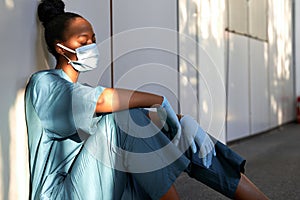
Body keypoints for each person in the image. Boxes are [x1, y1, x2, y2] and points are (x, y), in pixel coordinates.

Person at [25, 0, 269, 199]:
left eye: (93, 39)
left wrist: (181, 122)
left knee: (185, 135)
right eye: (82, 41)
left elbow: (136, 115)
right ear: (60, 47)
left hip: (100, 184)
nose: (91, 46)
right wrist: (159, 100)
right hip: (62, 193)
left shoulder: (83, 90)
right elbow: (104, 102)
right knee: (123, 117)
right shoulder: (45, 84)